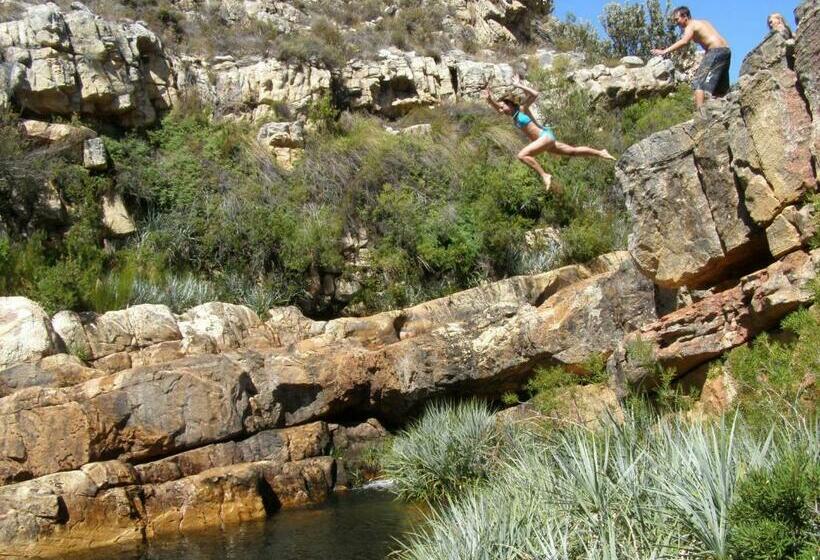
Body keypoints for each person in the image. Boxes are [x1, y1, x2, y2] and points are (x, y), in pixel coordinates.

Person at [481, 77, 615, 193]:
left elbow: (535, 94)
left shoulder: (522, 109)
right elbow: (498, 109)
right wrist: (490, 100)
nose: (501, 109)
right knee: (573, 151)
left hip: (545, 137)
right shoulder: (514, 116)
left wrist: (519, 85)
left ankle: (545, 175)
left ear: (510, 104)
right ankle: (600, 153)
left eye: (503, 106)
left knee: (522, 155)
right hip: (546, 142)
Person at [651, 6, 731, 108]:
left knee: (698, 83)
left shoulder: (691, 25)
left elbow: (684, 41)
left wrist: (664, 51)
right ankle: (724, 110)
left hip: (715, 51)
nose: (676, 23)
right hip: (726, 51)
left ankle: (700, 115)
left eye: (677, 19)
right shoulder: (703, 22)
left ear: (685, 16)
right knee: (720, 89)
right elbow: (708, 41)